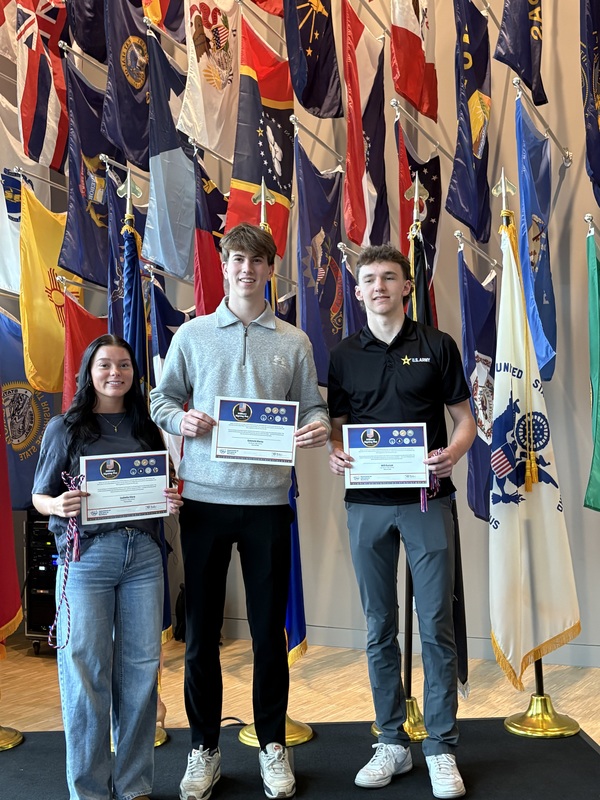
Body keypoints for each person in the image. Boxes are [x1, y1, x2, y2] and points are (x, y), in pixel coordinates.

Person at [150, 222, 330, 800]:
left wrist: (317, 429)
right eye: (235, 259)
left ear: (269, 269)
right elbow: (161, 398)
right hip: (203, 502)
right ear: (223, 267)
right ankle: (205, 748)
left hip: (268, 507)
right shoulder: (194, 335)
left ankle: (272, 744)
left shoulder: (295, 342)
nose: (246, 269)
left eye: (256, 260)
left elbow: (315, 408)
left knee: (266, 636)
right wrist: (183, 421)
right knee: (201, 635)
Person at [327, 245, 476, 800]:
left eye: (390, 277)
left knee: (435, 625)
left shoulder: (437, 345)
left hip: (426, 499)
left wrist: (452, 454)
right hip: (366, 505)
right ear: (359, 290)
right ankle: (391, 740)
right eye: (370, 279)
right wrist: (334, 454)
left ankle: (440, 746)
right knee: (378, 626)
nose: (380, 286)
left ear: (407, 287)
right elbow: (338, 429)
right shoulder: (343, 355)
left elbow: (464, 419)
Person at [32, 334, 183, 800]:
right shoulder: (65, 427)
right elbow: (38, 497)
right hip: (86, 560)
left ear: (134, 374)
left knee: (140, 673)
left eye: (123, 365)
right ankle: (90, 790)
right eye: (104, 365)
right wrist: (57, 504)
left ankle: (135, 784)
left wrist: (170, 499)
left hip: (143, 558)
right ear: (88, 372)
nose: (115, 372)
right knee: (86, 673)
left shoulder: (145, 428)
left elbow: (165, 486)